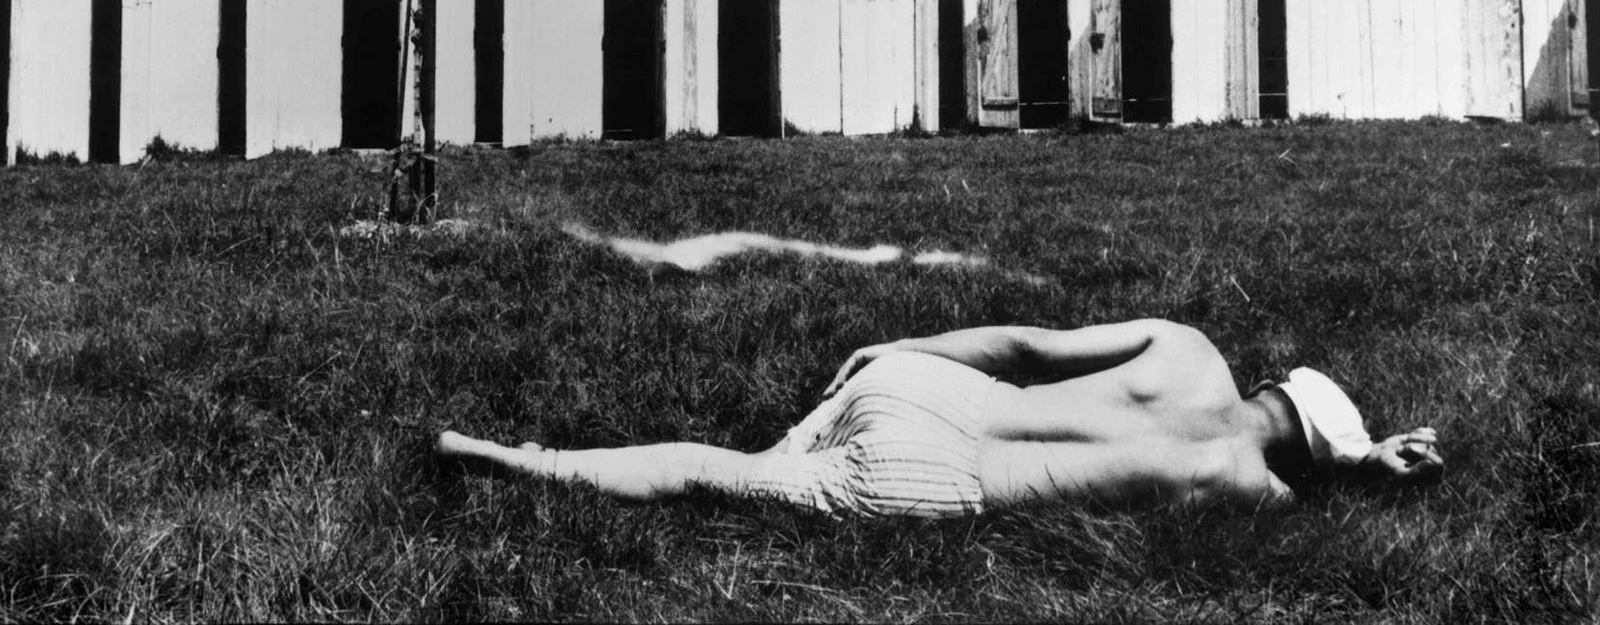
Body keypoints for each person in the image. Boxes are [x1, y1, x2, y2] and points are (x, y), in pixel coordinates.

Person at [435, 319, 1443, 516]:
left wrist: (902, 353)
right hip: (939, 486)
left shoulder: (1188, 352)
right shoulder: (1249, 488)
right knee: (723, 473)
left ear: (1275, 382)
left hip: (938, 394)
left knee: (742, 463)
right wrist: (1369, 462)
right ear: (1308, 455)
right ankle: (530, 466)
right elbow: (1329, 478)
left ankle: (521, 447)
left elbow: (1028, 347)